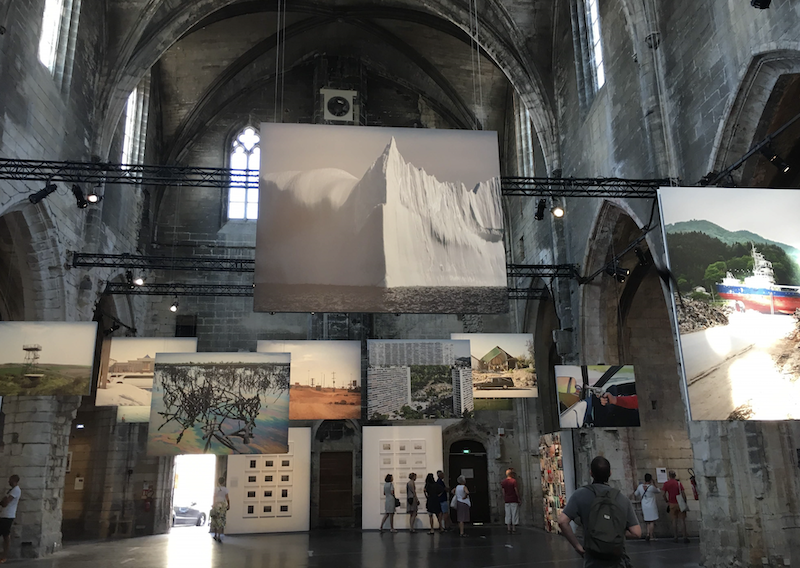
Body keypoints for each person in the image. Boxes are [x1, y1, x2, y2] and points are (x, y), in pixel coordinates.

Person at [557, 456, 641, 567]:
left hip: (593, 559)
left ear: (591, 473)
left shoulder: (580, 495)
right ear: (610, 473)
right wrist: (613, 531)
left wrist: (577, 546)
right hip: (617, 560)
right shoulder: (621, 498)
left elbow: (562, 521)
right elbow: (636, 532)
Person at [662, 471, 689, 543]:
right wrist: (685, 502)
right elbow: (683, 493)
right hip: (680, 503)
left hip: (671, 504)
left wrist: (667, 501)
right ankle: (684, 537)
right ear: (675, 476)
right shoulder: (678, 483)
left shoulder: (666, 484)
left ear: (669, 476)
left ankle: (675, 537)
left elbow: (663, 494)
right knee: (682, 521)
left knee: (674, 521)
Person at [0, 475, 21, 565]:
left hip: (8, 516)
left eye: (10, 480)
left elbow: (5, 502)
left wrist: (3, 500)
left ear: (14, 480)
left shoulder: (16, 490)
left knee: (6, 536)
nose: (8, 481)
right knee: (5, 535)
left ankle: (4, 556)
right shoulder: (11, 490)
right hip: (4, 515)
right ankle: (3, 555)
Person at [634, 473, 660, 542]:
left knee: (647, 521)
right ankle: (651, 536)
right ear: (650, 479)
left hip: (644, 506)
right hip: (651, 506)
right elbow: (658, 491)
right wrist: (654, 483)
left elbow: (636, 494)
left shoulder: (640, 487)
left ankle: (648, 533)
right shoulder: (651, 487)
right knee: (652, 521)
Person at [501, 468, 520, 534]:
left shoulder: (503, 482)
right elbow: (516, 490)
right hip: (513, 499)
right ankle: (514, 528)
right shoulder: (513, 481)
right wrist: (518, 498)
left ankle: (508, 528)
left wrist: (504, 498)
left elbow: (503, 492)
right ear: (511, 474)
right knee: (514, 513)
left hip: (507, 500)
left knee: (508, 514)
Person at [210, 476, 230, 542]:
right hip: (222, 505)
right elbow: (227, 498)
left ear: (218, 482)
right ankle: (219, 536)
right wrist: (228, 505)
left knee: (215, 519)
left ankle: (215, 535)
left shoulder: (216, 489)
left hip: (216, 505)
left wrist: (213, 504)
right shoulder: (225, 489)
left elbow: (214, 496)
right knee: (221, 520)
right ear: (224, 482)